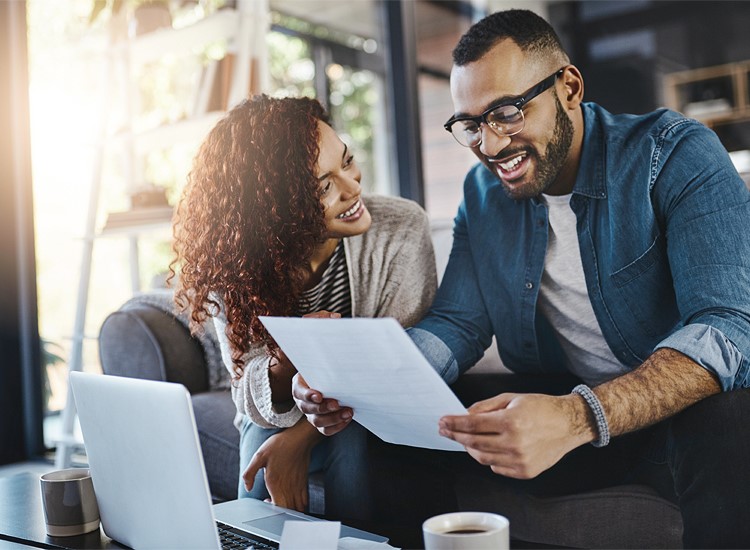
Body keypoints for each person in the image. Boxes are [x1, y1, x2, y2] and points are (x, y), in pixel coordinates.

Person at [292, 10, 750, 547]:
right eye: (469, 125)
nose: (490, 145)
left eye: (507, 112)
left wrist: (580, 416)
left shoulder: (674, 154)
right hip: (560, 408)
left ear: (570, 87)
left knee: (729, 418)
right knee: (374, 432)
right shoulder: (482, 197)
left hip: (670, 420)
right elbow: (458, 324)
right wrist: (364, 380)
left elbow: (729, 326)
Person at [170, 95, 437, 522]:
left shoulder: (401, 229)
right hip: (276, 416)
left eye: (346, 162)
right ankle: (253, 537)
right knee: (260, 431)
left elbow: (397, 369)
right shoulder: (233, 266)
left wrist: (298, 442)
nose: (353, 189)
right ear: (274, 210)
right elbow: (248, 398)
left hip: (370, 418)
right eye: (324, 186)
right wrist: (284, 359)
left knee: (347, 436)